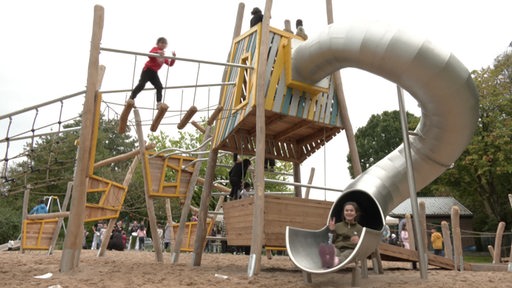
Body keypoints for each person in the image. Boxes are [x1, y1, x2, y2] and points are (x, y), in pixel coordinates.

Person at [129, 37, 176, 109]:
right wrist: (158, 53)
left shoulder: (165, 56)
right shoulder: (155, 49)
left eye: (165, 43)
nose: (163, 44)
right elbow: (149, 54)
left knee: (159, 86)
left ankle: (159, 103)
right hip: (147, 70)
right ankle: (131, 98)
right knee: (141, 84)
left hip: (154, 73)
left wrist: (173, 58)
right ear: (157, 44)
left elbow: (170, 64)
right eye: (161, 43)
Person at [320, 202, 363, 268]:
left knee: (346, 255)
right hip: (338, 248)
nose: (349, 212)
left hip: (350, 249)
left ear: (356, 213)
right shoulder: (338, 226)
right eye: (346, 210)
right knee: (334, 252)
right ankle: (329, 260)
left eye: (351, 211)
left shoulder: (359, 228)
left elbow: (363, 245)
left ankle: (336, 262)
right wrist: (332, 230)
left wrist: (359, 241)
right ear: (344, 213)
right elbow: (331, 241)